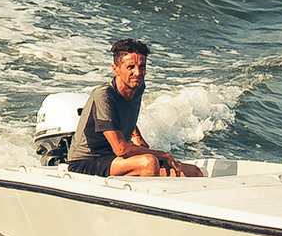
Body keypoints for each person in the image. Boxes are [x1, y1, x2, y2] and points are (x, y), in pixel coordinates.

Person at [66, 40, 197, 179]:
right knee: (149, 162)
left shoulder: (138, 87)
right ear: (115, 69)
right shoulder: (104, 95)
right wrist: (163, 155)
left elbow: (122, 113)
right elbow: (121, 149)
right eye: (130, 67)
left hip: (114, 159)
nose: (138, 72)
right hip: (86, 162)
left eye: (142, 67)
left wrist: (136, 135)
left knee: (192, 172)